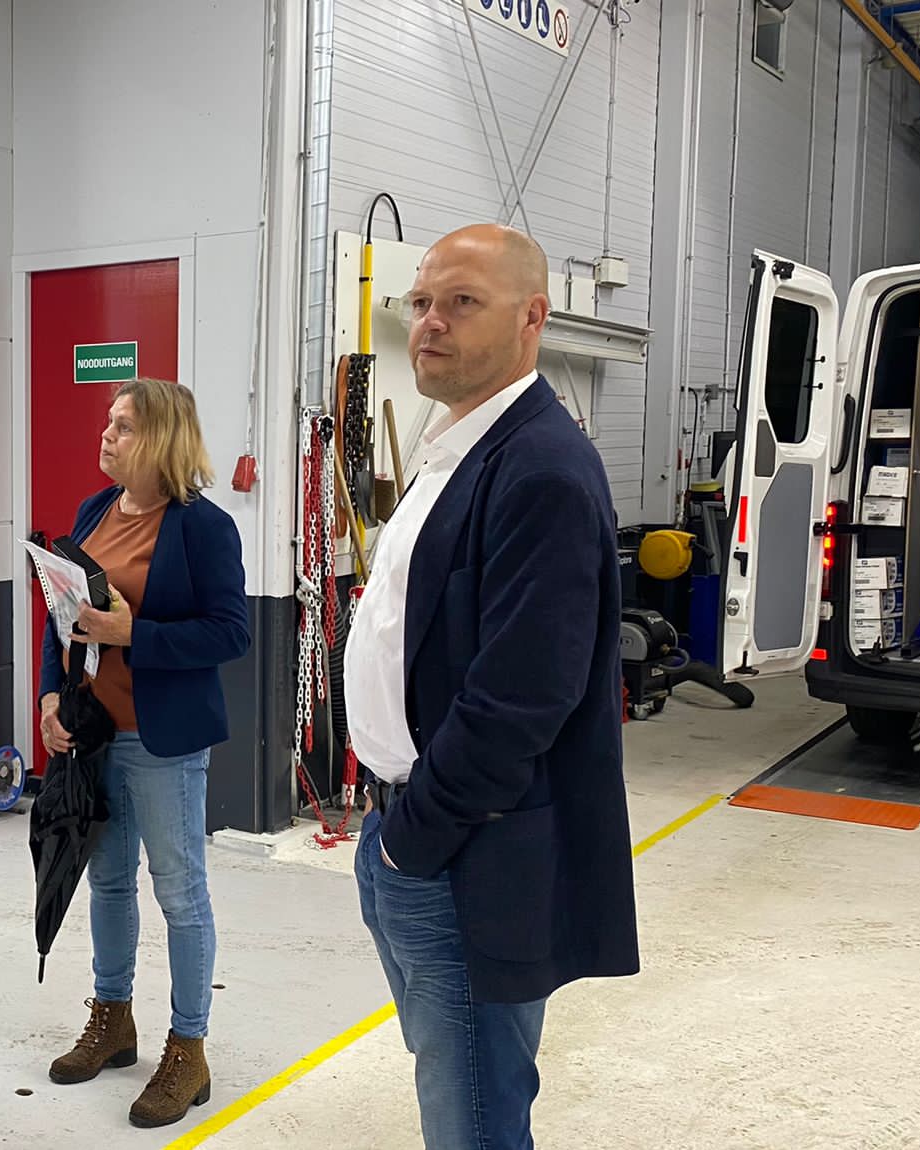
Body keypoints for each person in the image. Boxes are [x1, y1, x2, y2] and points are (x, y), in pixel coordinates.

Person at [344, 224, 639, 1148]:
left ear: (531, 319)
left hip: (463, 853)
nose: (429, 323)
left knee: (473, 1115)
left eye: (462, 302)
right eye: (421, 302)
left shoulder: (540, 469)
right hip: (408, 830)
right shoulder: (458, 447)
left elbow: (521, 701)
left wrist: (414, 844)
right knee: (458, 1088)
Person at [38, 378, 251, 1130]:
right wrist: (50, 696)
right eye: (109, 422)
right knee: (108, 884)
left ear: (161, 439)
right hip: (93, 736)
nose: (107, 435)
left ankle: (188, 1048)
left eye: (123, 426)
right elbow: (63, 614)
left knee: (180, 894)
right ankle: (113, 1018)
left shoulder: (203, 528)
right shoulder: (93, 511)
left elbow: (232, 632)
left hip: (162, 743)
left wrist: (137, 635)